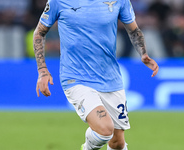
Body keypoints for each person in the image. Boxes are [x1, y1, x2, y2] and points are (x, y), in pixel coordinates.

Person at [33, 0, 159, 150]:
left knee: (117, 142)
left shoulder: (120, 1)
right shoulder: (58, 2)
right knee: (105, 130)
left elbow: (134, 30)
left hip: (110, 78)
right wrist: (42, 71)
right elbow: (39, 32)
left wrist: (143, 53)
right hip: (76, 77)